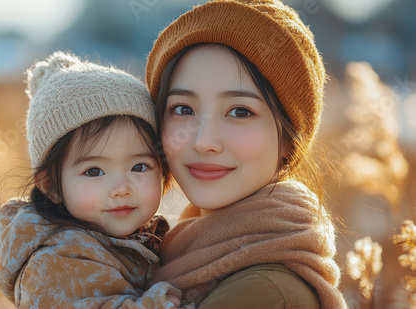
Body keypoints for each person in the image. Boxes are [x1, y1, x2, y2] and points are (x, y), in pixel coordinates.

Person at [145, 0, 348, 308]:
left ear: (288, 141)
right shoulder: (177, 252)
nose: (203, 141)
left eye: (240, 111)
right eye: (183, 109)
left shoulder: (262, 292)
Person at [0, 51, 192, 308]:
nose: (121, 188)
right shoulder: (54, 262)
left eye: (139, 166)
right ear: (51, 186)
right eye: (94, 171)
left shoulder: (143, 237)